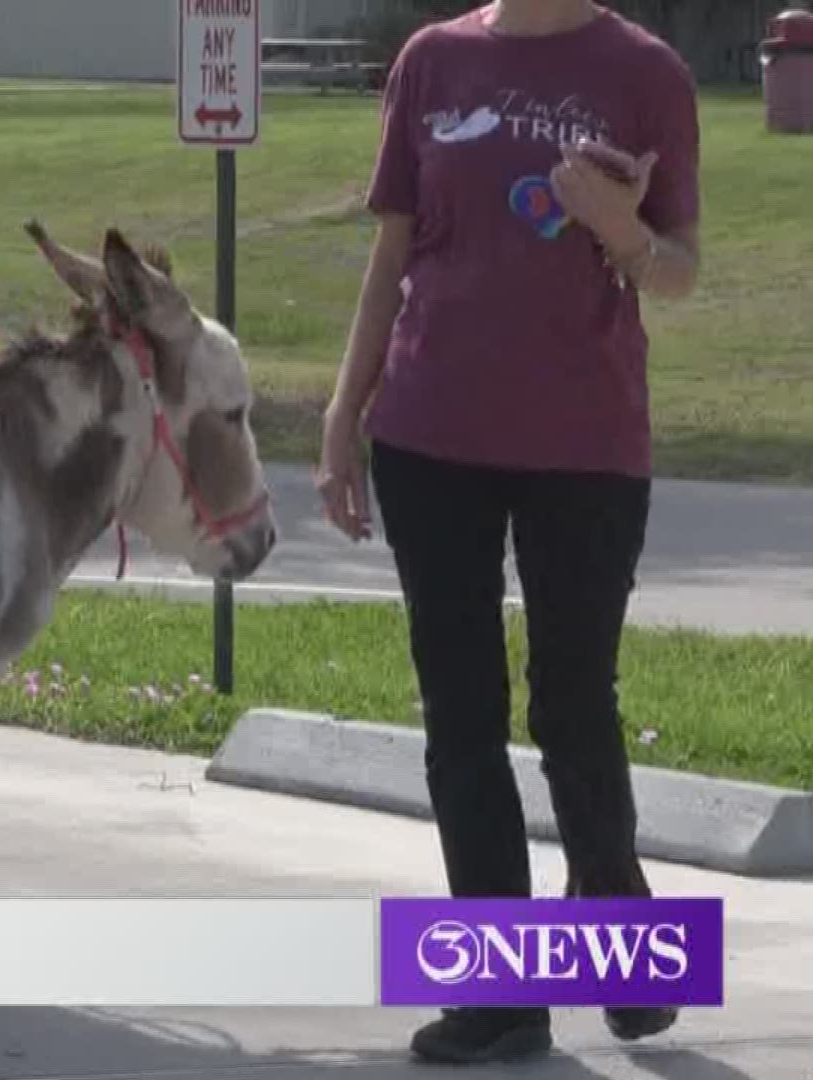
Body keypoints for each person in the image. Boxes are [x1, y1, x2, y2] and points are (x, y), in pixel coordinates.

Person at [315, 0, 701, 1066]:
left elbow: (679, 268)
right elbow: (393, 251)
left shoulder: (646, 70)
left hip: (587, 444)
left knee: (574, 703)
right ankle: (503, 997)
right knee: (463, 715)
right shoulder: (432, 62)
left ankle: (617, 941)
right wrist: (347, 414)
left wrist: (618, 226)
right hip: (431, 435)